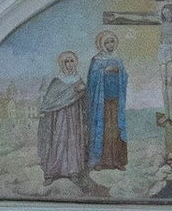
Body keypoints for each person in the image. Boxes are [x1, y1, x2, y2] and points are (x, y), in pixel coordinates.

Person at [39, 50, 90, 185]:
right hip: (59, 118)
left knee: (73, 141)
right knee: (58, 141)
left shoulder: (78, 80)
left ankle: (73, 171)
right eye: (66, 61)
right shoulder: (57, 81)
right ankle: (51, 172)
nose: (69, 64)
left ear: (75, 63)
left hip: (74, 116)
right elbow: (50, 100)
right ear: (62, 64)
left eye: (71, 61)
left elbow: (84, 101)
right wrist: (74, 91)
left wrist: (83, 92)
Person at [86, 33, 128, 173]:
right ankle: (98, 161)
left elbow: (125, 77)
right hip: (101, 102)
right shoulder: (97, 60)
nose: (110, 44)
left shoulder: (118, 59)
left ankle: (116, 161)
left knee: (115, 130)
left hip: (115, 100)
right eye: (107, 42)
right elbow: (91, 78)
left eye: (112, 42)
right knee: (102, 130)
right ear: (102, 44)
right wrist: (105, 70)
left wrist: (121, 71)